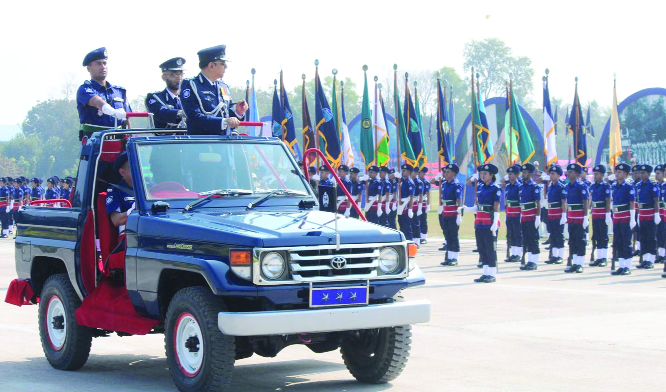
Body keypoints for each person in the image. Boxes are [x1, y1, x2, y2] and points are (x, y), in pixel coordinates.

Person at [179, 45, 248, 135]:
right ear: (211, 66)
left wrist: (238, 113)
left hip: (224, 143)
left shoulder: (224, 86)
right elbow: (194, 117)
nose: (226, 67)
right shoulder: (190, 85)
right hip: (202, 143)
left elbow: (228, 116)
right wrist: (223, 121)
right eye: (223, 64)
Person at [459, 164, 500, 283]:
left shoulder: (495, 188)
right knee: (481, 248)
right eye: (481, 174)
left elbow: (496, 206)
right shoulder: (481, 187)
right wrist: (468, 209)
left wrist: (495, 222)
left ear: (491, 175)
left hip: (489, 220)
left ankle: (492, 273)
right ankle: (485, 272)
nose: (482, 176)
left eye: (485, 174)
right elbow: (479, 206)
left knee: (490, 248)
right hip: (480, 221)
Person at [76, 47, 131, 133]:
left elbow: (126, 119)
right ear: (88, 68)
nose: (103, 67)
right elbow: (97, 102)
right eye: (98, 64)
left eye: (104, 63)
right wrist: (112, 111)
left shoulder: (119, 91)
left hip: (119, 139)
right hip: (95, 141)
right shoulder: (85, 89)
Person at [563, 164, 589, 273]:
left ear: (577, 174)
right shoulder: (568, 186)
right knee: (572, 240)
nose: (568, 173)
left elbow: (585, 202)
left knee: (580, 240)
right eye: (568, 171)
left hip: (579, 217)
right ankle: (575, 262)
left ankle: (580, 263)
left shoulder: (581, 186)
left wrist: (585, 217)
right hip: (571, 217)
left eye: (571, 172)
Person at [146, 57, 186, 128]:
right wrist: (181, 113)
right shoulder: (155, 97)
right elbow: (161, 113)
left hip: (188, 138)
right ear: (164, 77)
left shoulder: (187, 97)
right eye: (173, 75)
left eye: (181, 74)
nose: (179, 78)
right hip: (166, 138)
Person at [611, 163, 636, 275]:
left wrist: (632, 218)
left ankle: (628, 266)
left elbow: (632, 203)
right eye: (617, 171)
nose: (617, 173)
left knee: (626, 241)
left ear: (625, 174)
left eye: (620, 172)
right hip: (617, 217)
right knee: (618, 242)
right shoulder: (615, 186)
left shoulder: (628, 186)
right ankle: (621, 265)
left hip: (625, 217)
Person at [635, 164, 660, 269]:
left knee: (650, 237)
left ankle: (651, 260)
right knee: (643, 238)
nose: (641, 175)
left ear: (649, 174)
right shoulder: (638, 185)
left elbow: (656, 201)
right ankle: (645, 259)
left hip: (650, 214)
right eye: (640, 173)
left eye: (643, 173)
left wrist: (657, 214)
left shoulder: (652, 185)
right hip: (642, 215)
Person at [438, 164, 462, 266]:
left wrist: (459, 214)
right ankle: (449, 257)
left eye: (448, 172)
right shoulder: (444, 184)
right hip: (445, 211)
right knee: (447, 234)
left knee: (453, 235)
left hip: (453, 212)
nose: (446, 173)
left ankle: (454, 258)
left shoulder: (456, 184)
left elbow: (459, 200)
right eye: (446, 172)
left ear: (454, 174)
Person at [106, 152, 136, 233]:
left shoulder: (151, 188)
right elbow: (116, 220)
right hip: (130, 235)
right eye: (133, 168)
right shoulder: (115, 191)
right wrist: (134, 210)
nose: (137, 170)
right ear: (122, 172)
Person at [519, 163, 541, 271]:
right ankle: (529, 260)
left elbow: (538, 202)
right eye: (522, 172)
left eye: (525, 172)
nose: (523, 174)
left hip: (532, 216)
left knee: (533, 239)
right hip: (524, 216)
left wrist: (538, 217)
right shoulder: (521, 186)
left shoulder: (534, 186)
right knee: (526, 239)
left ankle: (534, 261)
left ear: (530, 174)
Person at [589, 165, 612, 267]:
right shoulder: (593, 186)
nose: (595, 176)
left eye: (597, 174)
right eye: (594, 174)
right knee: (596, 236)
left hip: (603, 213)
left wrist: (607, 214)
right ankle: (599, 257)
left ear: (602, 175)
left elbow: (607, 201)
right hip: (595, 214)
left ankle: (604, 258)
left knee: (603, 236)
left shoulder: (605, 186)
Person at [545, 165, 566, 265]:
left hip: (558, 213)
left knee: (559, 235)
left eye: (553, 174)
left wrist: (564, 215)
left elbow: (563, 202)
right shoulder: (551, 186)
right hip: (551, 213)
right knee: (552, 235)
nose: (551, 175)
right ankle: (554, 255)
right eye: (550, 173)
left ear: (558, 175)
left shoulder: (561, 186)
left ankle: (560, 256)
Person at [503, 165, 522, 263]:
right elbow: (506, 201)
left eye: (511, 174)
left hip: (517, 213)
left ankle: (518, 254)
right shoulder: (508, 186)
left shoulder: (519, 186)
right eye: (508, 174)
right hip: (510, 213)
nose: (509, 176)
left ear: (516, 175)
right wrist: (506, 214)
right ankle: (513, 253)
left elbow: (521, 201)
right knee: (511, 234)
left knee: (517, 234)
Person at [397, 164, 415, 240]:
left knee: (407, 226)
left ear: (408, 172)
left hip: (406, 206)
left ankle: (409, 241)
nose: (402, 172)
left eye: (404, 171)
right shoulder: (402, 181)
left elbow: (411, 197)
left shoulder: (410, 183)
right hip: (401, 206)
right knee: (401, 224)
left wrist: (410, 209)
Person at [655, 165, 666, 264]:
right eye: (656, 173)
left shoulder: (665, 185)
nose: (656, 175)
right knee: (658, 234)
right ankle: (661, 255)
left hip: (664, 213)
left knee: (664, 234)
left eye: (658, 173)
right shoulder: (655, 186)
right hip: (657, 214)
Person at [411, 167, 423, 247]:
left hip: (415, 204)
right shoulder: (408, 181)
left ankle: (417, 241)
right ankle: (411, 240)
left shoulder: (418, 182)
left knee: (415, 223)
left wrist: (420, 207)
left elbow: (421, 195)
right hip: (408, 205)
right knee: (409, 223)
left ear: (415, 173)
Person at [419, 167, 431, 243]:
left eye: (420, 173)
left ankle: (424, 236)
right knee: (417, 220)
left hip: (423, 203)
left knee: (423, 220)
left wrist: (428, 204)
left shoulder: (425, 182)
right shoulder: (416, 181)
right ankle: (419, 235)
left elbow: (428, 193)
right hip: (417, 203)